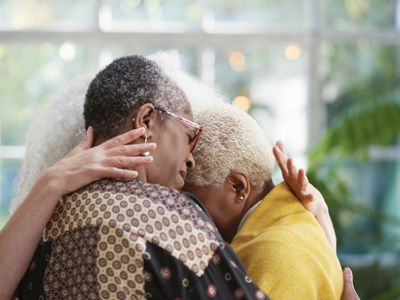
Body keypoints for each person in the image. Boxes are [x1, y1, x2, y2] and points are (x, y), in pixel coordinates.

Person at [0, 52, 359, 299]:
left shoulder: (45, 224)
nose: (190, 158)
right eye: (189, 134)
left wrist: (50, 183)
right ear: (146, 122)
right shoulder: (172, 217)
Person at [184, 102, 343, 299]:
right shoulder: (297, 223)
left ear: (238, 187)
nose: (190, 216)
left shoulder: (274, 253)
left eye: (194, 203)